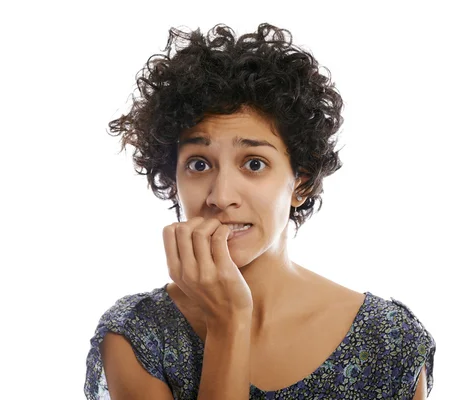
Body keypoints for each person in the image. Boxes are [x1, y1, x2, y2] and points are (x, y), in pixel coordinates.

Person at [84, 23, 436, 399]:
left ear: (300, 182)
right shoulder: (138, 334)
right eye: (199, 164)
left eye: (253, 164)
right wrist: (228, 322)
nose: (220, 196)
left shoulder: (388, 340)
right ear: (172, 179)